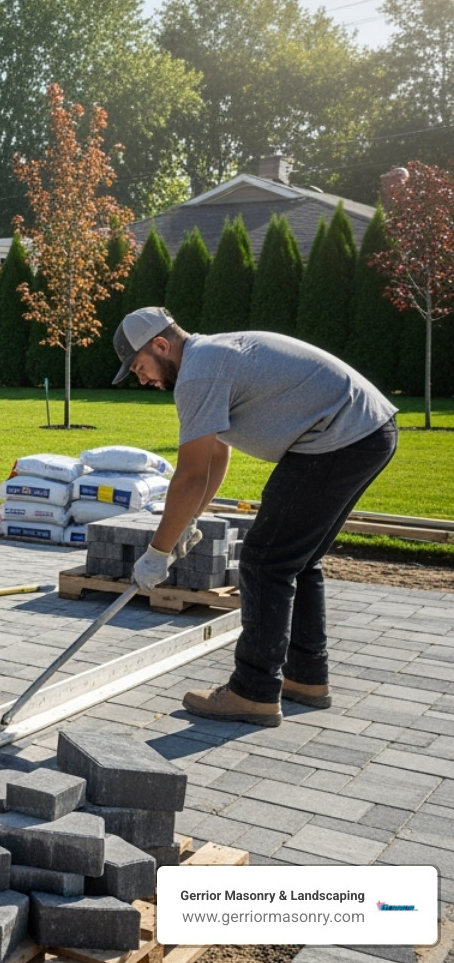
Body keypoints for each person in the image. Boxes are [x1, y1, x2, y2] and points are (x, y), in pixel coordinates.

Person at [113, 306, 399, 727]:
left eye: (140, 368)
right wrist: (189, 520)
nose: (143, 380)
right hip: (366, 431)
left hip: (339, 438)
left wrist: (158, 550)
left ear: (161, 344)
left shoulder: (197, 374)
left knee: (265, 561)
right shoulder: (209, 356)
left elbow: (190, 475)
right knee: (296, 560)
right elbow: (215, 453)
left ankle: (253, 691)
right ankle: (305, 678)